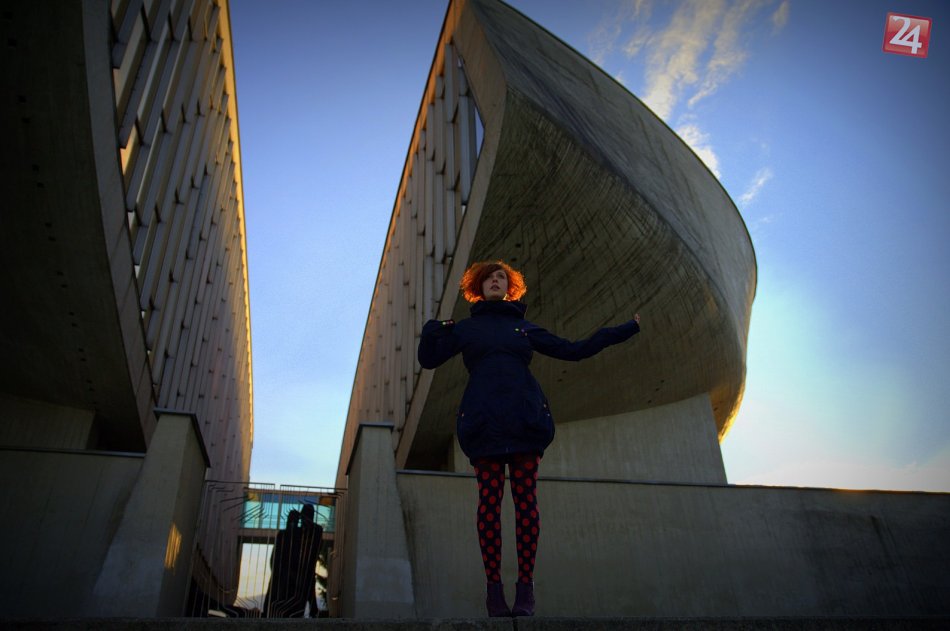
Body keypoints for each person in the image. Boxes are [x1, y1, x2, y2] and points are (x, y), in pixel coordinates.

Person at [418, 260, 641, 617]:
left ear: (510, 288)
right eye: (489, 278)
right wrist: (431, 331)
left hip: (524, 422)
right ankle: (494, 591)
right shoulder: (466, 329)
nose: (495, 281)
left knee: (526, 504)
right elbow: (429, 360)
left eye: (501, 277)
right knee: (489, 505)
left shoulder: (524, 328)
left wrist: (624, 330)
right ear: (478, 286)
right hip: (484, 425)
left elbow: (573, 350)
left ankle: (525, 589)